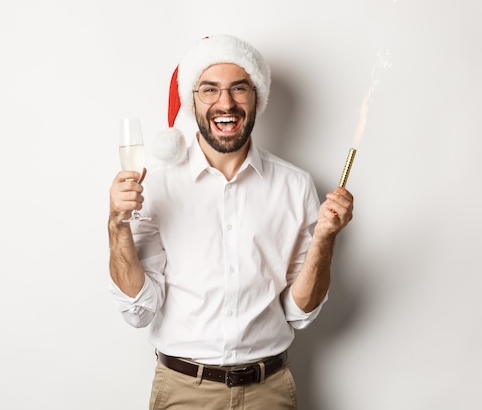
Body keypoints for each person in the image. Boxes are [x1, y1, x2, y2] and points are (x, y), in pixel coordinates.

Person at [108, 34, 354, 410]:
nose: (226, 103)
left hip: (268, 392)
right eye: (210, 90)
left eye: (239, 89)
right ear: (193, 101)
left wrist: (324, 238)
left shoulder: (295, 185)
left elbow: (299, 313)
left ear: (258, 98)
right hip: (184, 392)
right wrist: (117, 224)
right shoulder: (155, 185)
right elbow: (139, 310)